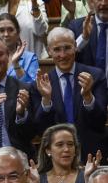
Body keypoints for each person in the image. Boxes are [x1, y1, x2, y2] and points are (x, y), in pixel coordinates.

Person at [35, 27, 107, 160]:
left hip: (91, 155)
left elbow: (100, 121)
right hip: (56, 159)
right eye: (56, 49)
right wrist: (46, 100)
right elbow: (40, 129)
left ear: (75, 47)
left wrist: (88, 97)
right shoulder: (43, 83)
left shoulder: (96, 76)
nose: (63, 55)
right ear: (49, 51)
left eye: (67, 48)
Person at [0, 13, 38, 84]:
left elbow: (33, 87)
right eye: (1, 30)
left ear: (18, 33)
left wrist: (16, 64)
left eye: (10, 30)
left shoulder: (30, 58)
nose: (6, 34)